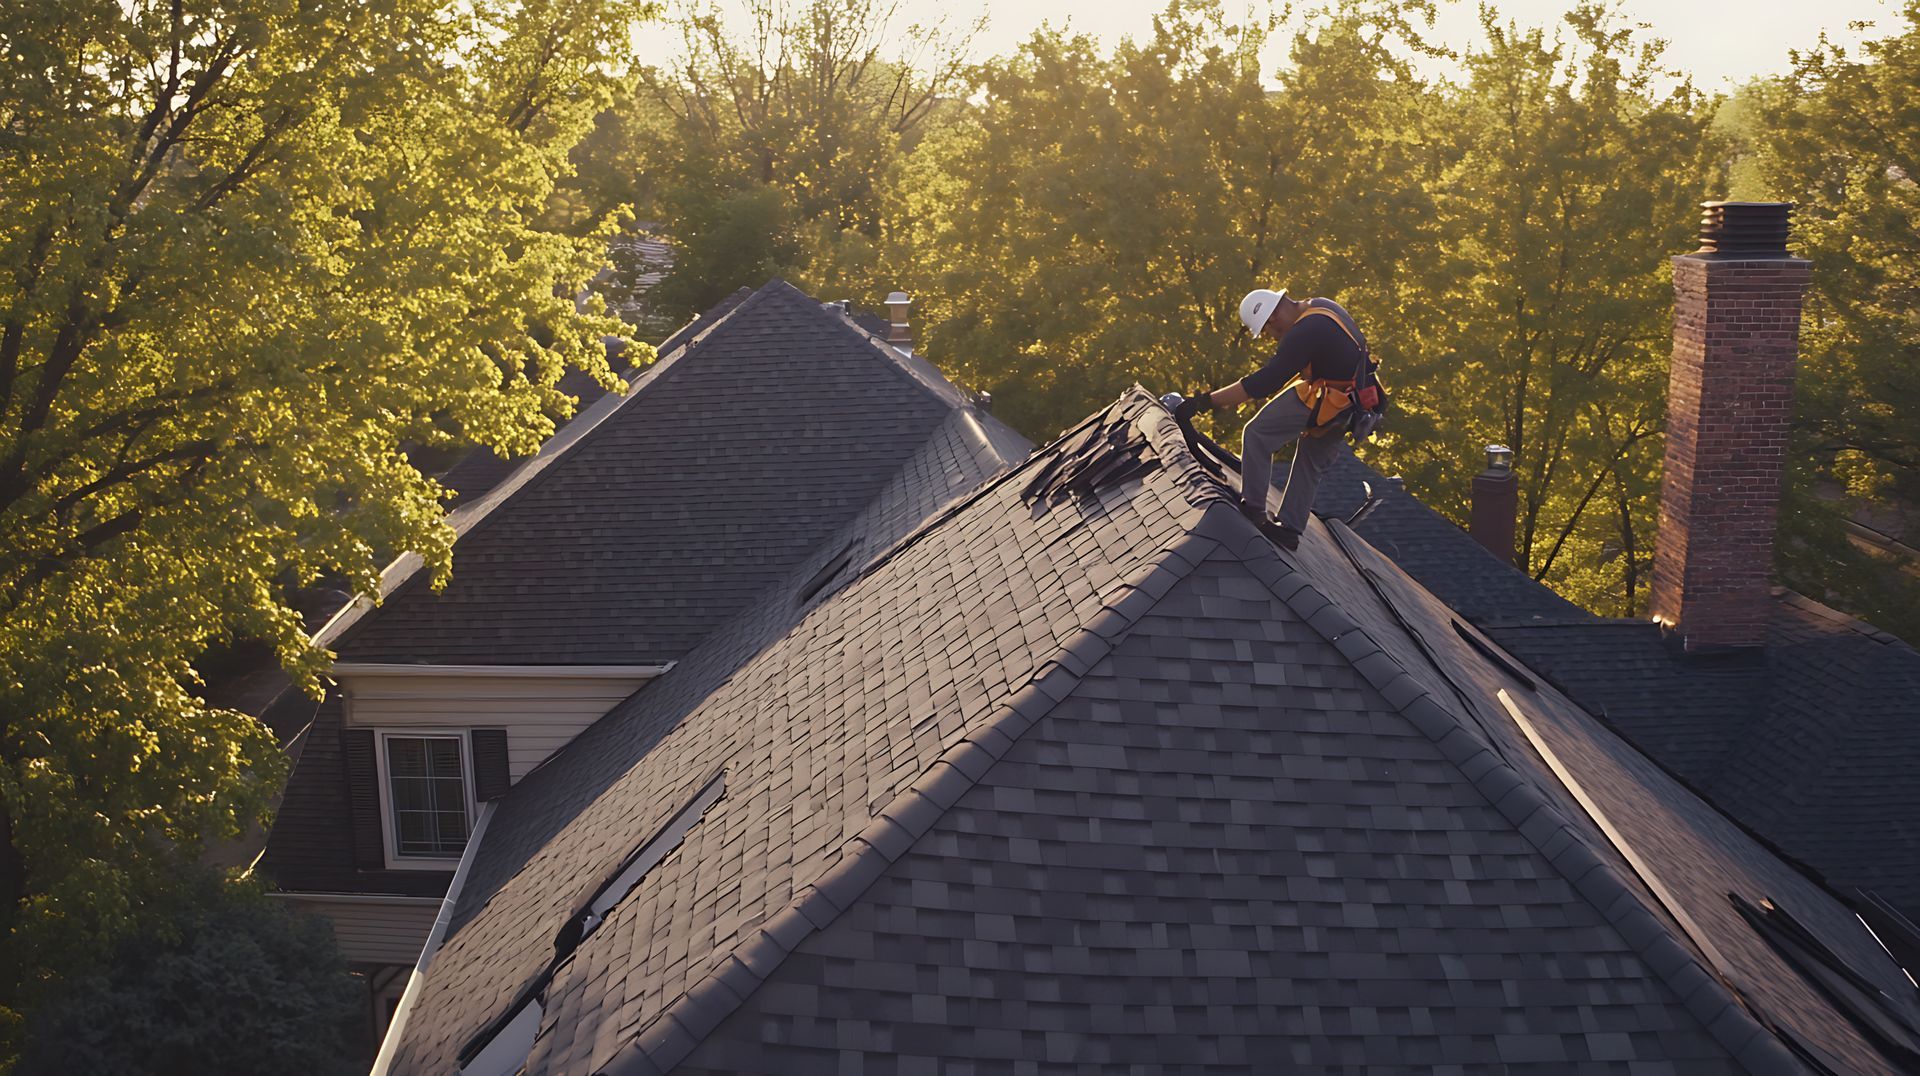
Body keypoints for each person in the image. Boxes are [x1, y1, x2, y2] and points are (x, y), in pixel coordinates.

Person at [1176, 287, 1368, 549]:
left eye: (1268, 332)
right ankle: (1289, 529)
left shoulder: (1304, 331)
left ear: (1273, 319)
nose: (1271, 338)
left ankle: (1254, 509)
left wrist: (1204, 402)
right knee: (1310, 461)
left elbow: (1261, 384)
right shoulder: (1322, 306)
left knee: (1257, 434)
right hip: (1352, 402)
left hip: (1329, 397)